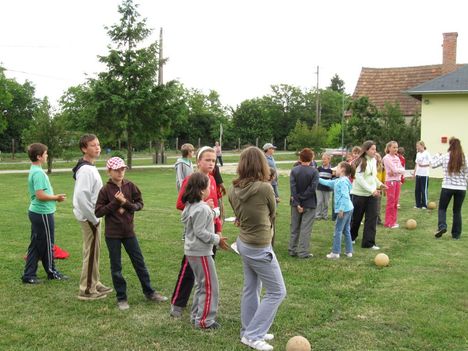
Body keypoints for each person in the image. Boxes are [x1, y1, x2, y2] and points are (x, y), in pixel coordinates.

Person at [229, 146, 286, 351]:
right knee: (277, 291)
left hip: (244, 243)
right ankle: (253, 335)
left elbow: (239, 215)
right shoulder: (265, 188)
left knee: (252, 288)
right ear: (261, 164)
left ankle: (249, 330)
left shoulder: (233, 189)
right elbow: (272, 212)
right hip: (259, 246)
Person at [95, 157, 168, 310]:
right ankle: (121, 297)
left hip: (129, 232)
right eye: (116, 169)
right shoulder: (105, 190)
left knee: (139, 262)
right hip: (112, 234)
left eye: (122, 169)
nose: (120, 172)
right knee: (116, 267)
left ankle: (149, 292)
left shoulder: (130, 186)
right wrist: (115, 202)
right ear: (109, 172)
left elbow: (139, 204)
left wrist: (126, 204)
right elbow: (98, 212)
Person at [170, 146, 223, 318]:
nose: (211, 163)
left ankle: (201, 303)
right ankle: (178, 303)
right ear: (198, 161)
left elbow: (215, 207)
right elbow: (180, 204)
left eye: (213, 160)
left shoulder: (212, 180)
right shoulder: (191, 180)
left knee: (206, 273)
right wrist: (200, 204)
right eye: (207, 160)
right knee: (188, 269)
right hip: (197, 233)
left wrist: (219, 229)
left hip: (211, 231)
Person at [180, 172, 228, 329]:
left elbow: (204, 214)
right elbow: (201, 232)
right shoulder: (201, 209)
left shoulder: (191, 205)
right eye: (209, 186)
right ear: (202, 190)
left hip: (192, 252)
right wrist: (217, 239)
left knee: (201, 285)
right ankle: (204, 321)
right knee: (209, 286)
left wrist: (214, 211)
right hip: (201, 252)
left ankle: (196, 316)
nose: (211, 189)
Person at [72, 134, 112, 300]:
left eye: (98, 144)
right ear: (84, 149)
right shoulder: (86, 170)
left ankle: (94, 282)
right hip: (90, 218)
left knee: (94, 251)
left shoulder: (89, 167)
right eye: (93, 145)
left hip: (93, 216)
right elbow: (81, 197)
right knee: (91, 253)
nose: (97, 147)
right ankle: (87, 289)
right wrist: (93, 218)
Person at [22, 143, 68, 284]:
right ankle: (52, 273)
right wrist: (56, 198)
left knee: (36, 244)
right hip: (42, 214)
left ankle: (29, 275)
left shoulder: (35, 170)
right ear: (39, 156)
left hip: (38, 213)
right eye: (46, 153)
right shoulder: (38, 173)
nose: (47, 155)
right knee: (48, 244)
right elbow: (40, 195)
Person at [350, 141, 386, 249]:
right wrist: (371, 190)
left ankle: (368, 243)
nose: (375, 151)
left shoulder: (374, 160)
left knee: (372, 218)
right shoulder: (361, 161)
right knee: (356, 218)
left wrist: (380, 184)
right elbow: (359, 179)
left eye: (375, 149)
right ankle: (351, 237)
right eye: (372, 149)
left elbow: (372, 176)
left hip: (372, 194)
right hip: (359, 194)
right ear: (366, 150)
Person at [432, 137, 468, 240]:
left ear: (450, 145)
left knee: (442, 209)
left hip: (447, 187)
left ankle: (442, 226)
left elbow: (433, 165)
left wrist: (436, 156)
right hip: (461, 188)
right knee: (457, 211)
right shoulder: (464, 158)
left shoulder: (445, 156)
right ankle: (456, 235)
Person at [318, 161, 355, 259]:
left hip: (344, 209)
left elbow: (345, 196)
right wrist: (317, 178)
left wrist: (341, 209)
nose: (335, 170)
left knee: (338, 230)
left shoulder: (342, 182)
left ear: (342, 169)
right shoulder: (340, 180)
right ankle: (349, 251)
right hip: (349, 208)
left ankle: (335, 252)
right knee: (346, 230)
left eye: (337, 168)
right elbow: (328, 182)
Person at [289, 148, 319, 259]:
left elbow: (293, 188)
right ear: (311, 159)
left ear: (300, 158)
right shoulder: (314, 171)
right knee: (305, 228)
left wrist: (297, 202)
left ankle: (292, 249)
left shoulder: (294, 170)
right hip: (309, 203)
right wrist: (301, 201)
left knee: (294, 227)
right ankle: (302, 252)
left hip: (295, 202)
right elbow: (312, 189)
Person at [382, 141, 405, 228]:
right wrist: (397, 171)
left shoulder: (397, 157)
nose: (396, 149)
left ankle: (394, 221)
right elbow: (395, 170)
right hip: (390, 182)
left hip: (397, 181)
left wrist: (397, 171)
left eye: (396, 147)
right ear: (389, 148)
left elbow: (402, 169)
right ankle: (388, 222)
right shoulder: (386, 158)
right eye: (394, 147)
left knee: (395, 202)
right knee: (390, 202)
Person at [413, 141, 431, 209]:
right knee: (417, 190)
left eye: (418, 146)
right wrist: (414, 173)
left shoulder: (427, 153)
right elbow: (416, 163)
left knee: (424, 190)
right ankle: (418, 204)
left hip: (424, 174)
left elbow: (430, 163)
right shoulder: (418, 154)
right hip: (418, 174)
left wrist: (423, 165)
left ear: (422, 145)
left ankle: (424, 204)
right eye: (416, 146)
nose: (417, 147)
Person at [315, 153, 333, 220]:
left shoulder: (332, 169)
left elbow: (333, 178)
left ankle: (324, 215)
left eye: (324, 159)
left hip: (328, 189)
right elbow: (316, 177)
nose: (323, 160)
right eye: (322, 159)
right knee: (319, 202)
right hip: (319, 188)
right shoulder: (319, 168)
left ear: (329, 160)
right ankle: (317, 215)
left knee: (326, 203)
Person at [375, 152, 386, 225]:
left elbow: (383, 179)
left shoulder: (382, 168)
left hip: (379, 189)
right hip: (371, 189)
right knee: (372, 206)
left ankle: (378, 220)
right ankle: (374, 219)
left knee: (378, 205)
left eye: (377, 157)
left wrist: (384, 189)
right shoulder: (369, 167)